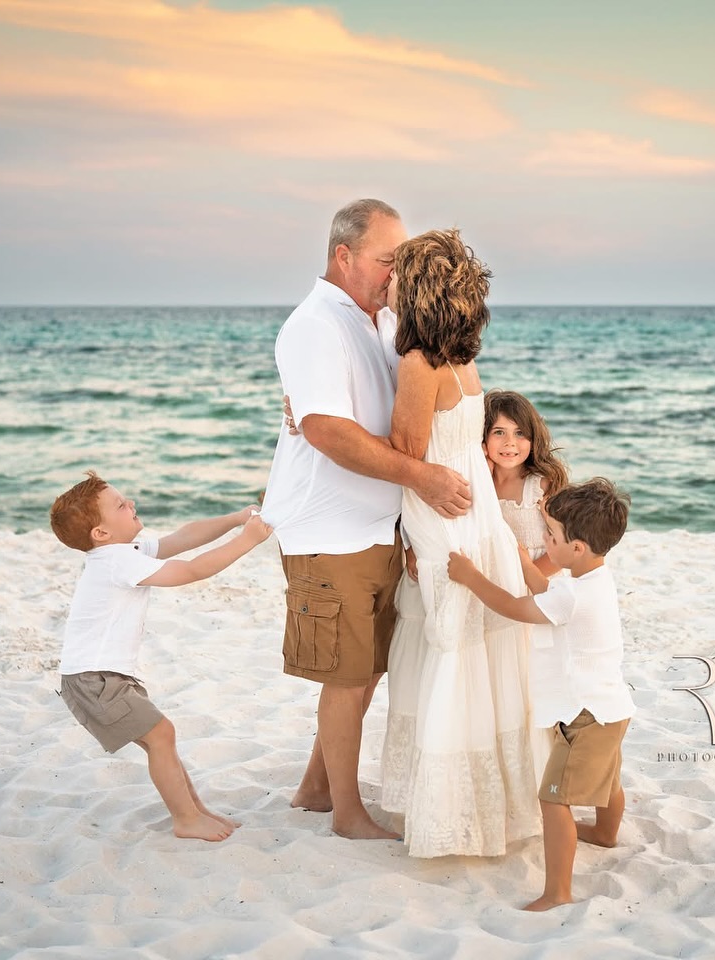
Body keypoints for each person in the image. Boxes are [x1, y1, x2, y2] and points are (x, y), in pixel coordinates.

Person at [261, 199, 472, 841]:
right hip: (330, 532)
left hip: (379, 528)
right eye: (388, 260)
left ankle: (317, 789)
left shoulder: (379, 322)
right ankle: (348, 816)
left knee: (368, 668)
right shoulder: (315, 325)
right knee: (347, 677)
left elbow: (391, 411)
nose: (397, 274)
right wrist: (424, 478)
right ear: (343, 256)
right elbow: (326, 429)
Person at [380, 229, 541, 858]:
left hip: (445, 521)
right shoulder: (462, 359)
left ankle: (450, 816)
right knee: (476, 661)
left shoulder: (419, 363)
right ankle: (491, 806)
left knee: (448, 660)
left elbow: (406, 453)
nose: (388, 280)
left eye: (397, 273)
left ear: (414, 289)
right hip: (476, 520)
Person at [50, 470, 272, 842]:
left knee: (160, 738)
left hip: (102, 677)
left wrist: (236, 519)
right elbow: (190, 570)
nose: (131, 503)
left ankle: (195, 811)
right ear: (100, 534)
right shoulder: (117, 562)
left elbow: (184, 538)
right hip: (95, 679)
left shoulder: (124, 552)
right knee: (161, 736)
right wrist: (246, 541)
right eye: (121, 505)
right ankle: (186, 819)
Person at [447, 478, 635, 910]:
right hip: (611, 707)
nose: (545, 541)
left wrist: (472, 577)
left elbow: (517, 609)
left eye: (551, 536)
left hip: (584, 716)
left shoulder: (571, 595)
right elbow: (548, 591)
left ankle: (558, 892)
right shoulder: (592, 581)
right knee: (609, 778)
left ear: (578, 548)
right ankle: (605, 834)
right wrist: (522, 561)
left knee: (554, 798)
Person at [484, 389, 569, 578]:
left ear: (533, 437)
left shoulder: (542, 485)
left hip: (538, 581)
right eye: (499, 432)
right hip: (494, 581)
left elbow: (565, 548)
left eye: (520, 433)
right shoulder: (481, 482)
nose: (510, 442)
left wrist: (524, 580)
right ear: (483, 438)